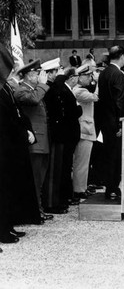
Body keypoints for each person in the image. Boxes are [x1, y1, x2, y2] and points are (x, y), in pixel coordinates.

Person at [0, 47, 41, 246]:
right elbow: (6, 119)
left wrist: (26, 129)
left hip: (12, 146)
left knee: (9, 189)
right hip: (6, 145)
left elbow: (17, 113)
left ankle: (8, 225)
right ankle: (3, 230)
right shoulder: (3, 89)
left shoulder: (5, 88)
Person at [14, 59, 54, 222]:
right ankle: (35, 212)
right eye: (37, 73)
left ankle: (38, 209)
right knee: (35, 179)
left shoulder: (33, 89)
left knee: (40, 178)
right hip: (34, 143)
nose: (39, 76)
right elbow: (34, 100)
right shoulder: (22, 90)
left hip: (41, 141)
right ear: (30, 75)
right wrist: (43, 85)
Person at [45, 67, 82, 211]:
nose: (56, 75)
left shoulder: (59, 89)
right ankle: (53, 202)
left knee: (63, 168)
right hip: (59, 134)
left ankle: (60, 200)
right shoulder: (56, 89)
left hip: (63, 135)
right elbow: (70, 112)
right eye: (55, 72)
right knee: (57, 170)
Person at [96, 45, 124, 200]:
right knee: (116, 156)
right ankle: (114, 187)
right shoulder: (118, 74)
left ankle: (109, 187)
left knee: (108, 155)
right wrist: (121, 123)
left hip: (104, 120)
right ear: (121, 56)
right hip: (115, 122)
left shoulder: (104, 73)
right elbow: (120, 101)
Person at [72, 65, 99, 199]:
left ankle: (81, 186)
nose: (90, 78)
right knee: (81, 162)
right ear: (80, 77)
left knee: (83, 162)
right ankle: (78, 189)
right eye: (87, 76)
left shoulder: (80, 90)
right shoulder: (79, 91)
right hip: (84, 130)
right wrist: (100, 81)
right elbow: (95, 97)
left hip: (85, 130)